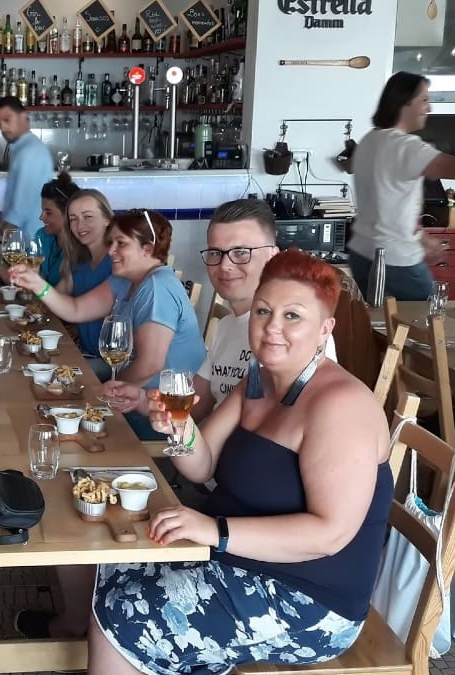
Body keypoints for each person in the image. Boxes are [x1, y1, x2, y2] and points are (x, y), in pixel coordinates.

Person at [87, 249, 393, 675]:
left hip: (309, 599)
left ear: (325, 329)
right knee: (114, 559)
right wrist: (180, 430)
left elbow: (330, 534)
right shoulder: (257, 378)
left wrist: (214, 531)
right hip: (240, 559)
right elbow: (202, 465)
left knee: (126, 613)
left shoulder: (340, 406)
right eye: (264, 311)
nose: (272, 327)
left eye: (293, 316)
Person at [105, 199, 336, 423]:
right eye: (215, 252)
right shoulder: (226, 326)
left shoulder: (294, 336)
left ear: (272, 256)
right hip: (205, 452)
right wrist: (140, 401)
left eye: (241, 252)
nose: (225, 265)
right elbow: (197, 405)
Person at [10, 209, 204, 439]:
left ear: (148, 248)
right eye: (110, 242)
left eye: (120, 243)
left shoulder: (157, 288)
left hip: (159, 417)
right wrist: (37, 284)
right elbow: (76, 309)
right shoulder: (126, 279)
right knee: (46, 398)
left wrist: (102, 395)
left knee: (50, 421)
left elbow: (150, 364)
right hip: (133, 397)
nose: (111, 251)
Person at [349, 71, 455, 300]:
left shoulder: (370, 140)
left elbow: (386, 205)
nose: (430, 108)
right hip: (395, 260)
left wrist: (420, 236)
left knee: (384, 326)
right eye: (424, 100)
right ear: (404, 102)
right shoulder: (405, 146)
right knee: (429, 324)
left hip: (362, 253)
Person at [0, 172, 80, 285]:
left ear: (68, 213)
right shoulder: (42, 236)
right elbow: (20, 280)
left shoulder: (80, 248)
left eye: (48, 213)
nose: (41, 217)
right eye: (42, 211)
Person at [0, 97, 55, 238]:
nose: (2, 127)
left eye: (7, 120)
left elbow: (20, 212)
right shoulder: (23, 149)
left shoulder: (30, 153)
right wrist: (0, 218)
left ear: (24, 116)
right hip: (28, 241)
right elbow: (25, 201)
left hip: (30, 244)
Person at [56, 189, 114, 354]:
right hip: (84, 353)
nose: (79, 225)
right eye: (73, 219)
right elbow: (52, 302)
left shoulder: (118, 262)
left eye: (88, 217)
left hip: (111, 363)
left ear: (107, 220)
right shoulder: (79, 261)